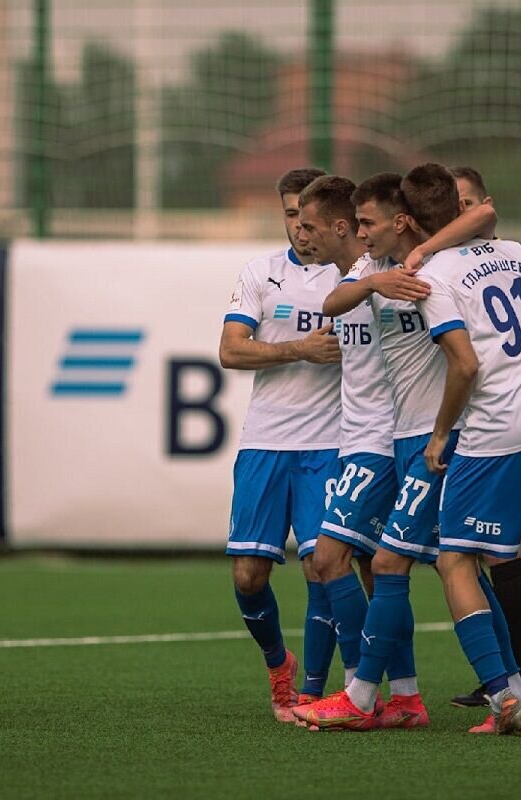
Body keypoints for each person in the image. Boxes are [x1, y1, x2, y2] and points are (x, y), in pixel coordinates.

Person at [299, 172, 500, 731]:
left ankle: (363, 690)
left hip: (393, 442)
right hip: (374, 438)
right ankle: (406, 696)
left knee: (358, 560)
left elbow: (481, 221)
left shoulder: (420, 266)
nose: (298, 232)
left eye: (307, 221)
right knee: (401, 565)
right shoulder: (368, 271)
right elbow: (336, 301)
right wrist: (372, 285)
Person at [410, 163, 521, 736]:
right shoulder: (513, 251)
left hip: (499, 429)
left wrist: (440, 433)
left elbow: (464, 364)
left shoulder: (434, 278)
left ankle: (506, 695)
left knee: (453, 559)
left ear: (413, 223)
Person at [219, 167, 346, 721]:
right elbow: (230, 351)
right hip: (266, 441)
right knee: (248, 576)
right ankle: (279, 664)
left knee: (323, 565)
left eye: (307, 216)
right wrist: (299, 349)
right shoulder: (261, 273)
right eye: (290, 214)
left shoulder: (355, 277)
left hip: (331, 443)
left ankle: (315, 693)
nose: (299, 226)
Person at [444, 166, 521, 710]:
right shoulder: (497, 260)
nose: (462, 213)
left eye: (468, 203)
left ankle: (510, 674)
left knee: (489, 553)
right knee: (487, 552)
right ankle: (512, 666)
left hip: (490, 420)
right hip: (489, 417)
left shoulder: (484, 257)